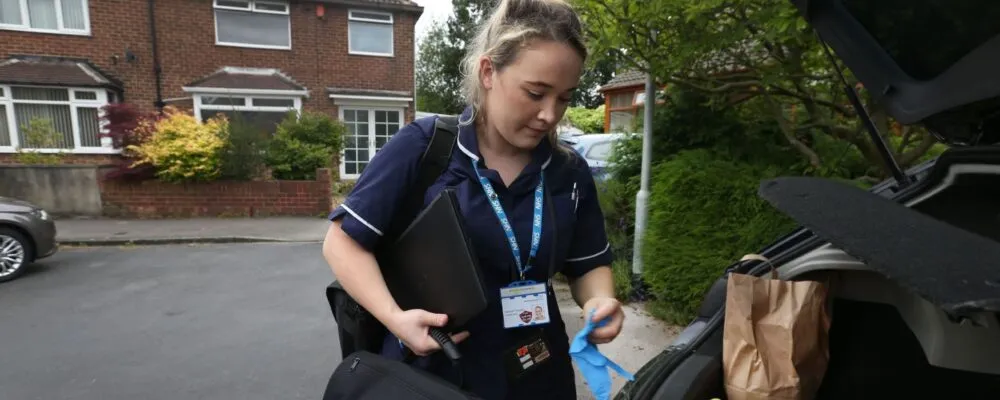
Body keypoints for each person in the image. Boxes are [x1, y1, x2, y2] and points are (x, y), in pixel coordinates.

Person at [321, 0, 624, 398]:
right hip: (435, 374)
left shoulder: (568, 172)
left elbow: (588, 265)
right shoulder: (425, 148)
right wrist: (395, 319)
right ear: (488, 72)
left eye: (564, 98)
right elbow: (342, 242)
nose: (550, 115)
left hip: (538, 374)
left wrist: (600, 303)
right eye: (536, 93)